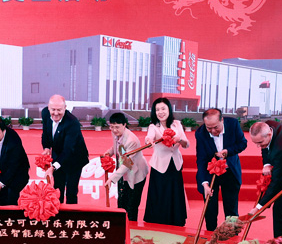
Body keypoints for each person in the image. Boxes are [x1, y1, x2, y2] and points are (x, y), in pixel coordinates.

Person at [195, 108, 247, 231]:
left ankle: (232, 235)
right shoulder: (200, 133)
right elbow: (201, 160)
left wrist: (228, 151)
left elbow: (242, 143)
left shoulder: (233, 124)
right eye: (209, 128)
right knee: (210, 207)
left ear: (222, 120)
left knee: (231, 208)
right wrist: (204, 184)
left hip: (230, 171)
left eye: (216, 127)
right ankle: (210, 235)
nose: (213, 131)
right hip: (211, 172)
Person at [143, 97, 189, 226]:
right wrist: (149, 141)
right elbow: (149, 137)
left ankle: (176, 219)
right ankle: (158, 220)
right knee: (160, 194)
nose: (160, 112)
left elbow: (186, 144)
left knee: (174, 193)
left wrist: (179, 139)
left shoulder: (177, 124)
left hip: (175, 164)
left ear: (169, 109)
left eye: (163, 108)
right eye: (157, 110)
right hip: (159, 165)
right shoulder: (153, 126)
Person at [41, 94, 89, 204]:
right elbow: (45, 133)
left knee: (71, 191)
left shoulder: (72, 122)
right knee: (57, 189)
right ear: (48, 107)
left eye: (59, 110)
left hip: (74, 157)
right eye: (53, 109)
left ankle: (71, 218)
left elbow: (68, 150)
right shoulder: (45, 113)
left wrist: (53, 167)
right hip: (58, 154)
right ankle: (58, 216)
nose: (56, 113)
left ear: (65, 108)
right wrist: (46, 147)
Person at [105, 112, 149, 222]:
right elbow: (119, 147)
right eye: (112, 127)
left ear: (124, 125)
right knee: (121, 202)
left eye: (117, 127)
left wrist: (112, 178)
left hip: (136, 173)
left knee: (132, 205)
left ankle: (132, 231)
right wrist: (109, 153)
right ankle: (121, 228)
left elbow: (127, 163)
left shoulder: (132, 141)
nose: (114, 130)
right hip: (123, 172)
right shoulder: (116, 133)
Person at [0, 116, 30, 206]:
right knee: (0, 197)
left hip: (18, 172)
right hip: (3, 168)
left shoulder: (13, 142)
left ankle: (11, 218)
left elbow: (13, 167)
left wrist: (0, 185)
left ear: (4, 130)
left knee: (11, 196)